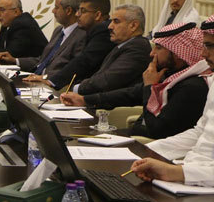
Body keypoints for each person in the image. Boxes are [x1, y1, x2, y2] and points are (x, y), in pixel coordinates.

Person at [60, 22, 209, 139]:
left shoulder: (193, 86)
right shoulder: (170, 75)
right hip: (136, 136)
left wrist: (150, 86)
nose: (152, 53)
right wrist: (84, 100)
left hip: (150, 146)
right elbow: (130, 94)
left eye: (158, 48)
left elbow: (157, 130)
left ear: (177, 52)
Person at [129, 15, 214, 187]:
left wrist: (174, 172)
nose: (203, 53)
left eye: (210, 46)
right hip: (192, 172)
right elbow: (200, 131)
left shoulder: (195, 85)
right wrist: (149, 151)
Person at [27, 0, 116, 89]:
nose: (77, 14)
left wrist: (52, 81)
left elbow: (84, 62)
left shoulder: (103, 31)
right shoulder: (94, 31)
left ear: (98, 15)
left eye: (83, 11)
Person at [0, 0, 86, 78]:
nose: (53, 11)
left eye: (56, 7)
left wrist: (44, 78)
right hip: (35, 77)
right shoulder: (58, 31)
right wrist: (15, 60)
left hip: (50, 83)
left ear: (68, 11)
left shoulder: (81, 36)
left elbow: (72, 70)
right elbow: (42, 60)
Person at [71, 4, 151, 95]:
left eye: (116, 21)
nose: (110, 26)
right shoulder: (123, 46)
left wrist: (76, 88)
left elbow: (107, 80)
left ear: (133, 25)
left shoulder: (138, 48)